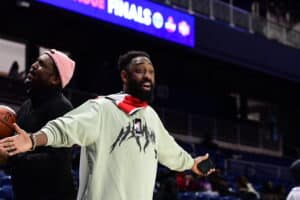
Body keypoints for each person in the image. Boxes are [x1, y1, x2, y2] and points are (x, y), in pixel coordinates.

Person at [1, 50, 215, 200]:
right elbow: (64, 128)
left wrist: (192, 163)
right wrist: (32, 139)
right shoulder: (102, 107)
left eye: (151, 72)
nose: (147, 76)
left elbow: (171, 152)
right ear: (124, 75)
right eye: (140, 70)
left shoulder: (151, 117)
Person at [6, 49, 76, 200]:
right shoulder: (26, 105)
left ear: (55, 79)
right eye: (36, 61)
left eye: (41, 64)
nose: (33, 65)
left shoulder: (63, 108)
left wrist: (10, 157)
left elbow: (58, 162)